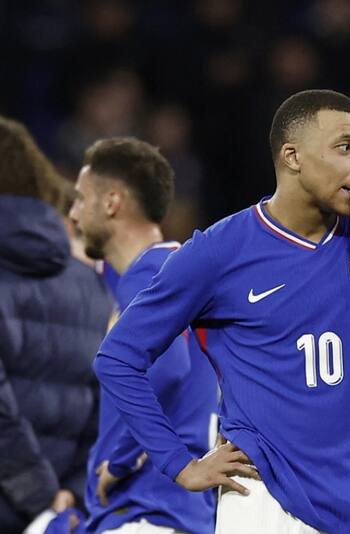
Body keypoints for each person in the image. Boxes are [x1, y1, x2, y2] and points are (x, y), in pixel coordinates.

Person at [93, 90, 350, 533]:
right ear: (292, 156)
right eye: (345, 147)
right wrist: (179, 464)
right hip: (266, 502)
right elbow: (118, 358)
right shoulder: (219, 252)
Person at [69, 137, 218, 534]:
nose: (73, 213)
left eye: (80, 199)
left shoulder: (150, 273)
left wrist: (121, 459)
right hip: (173, 511)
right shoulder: (171, 270)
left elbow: (168, 367)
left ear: (111, 202)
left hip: (147, 508)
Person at [0, 117, 113, 532]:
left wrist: (40, 496)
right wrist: (62, 499)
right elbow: (105, 407)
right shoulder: (90, 284)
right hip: (60, 515)